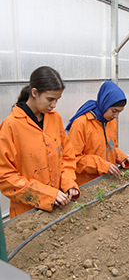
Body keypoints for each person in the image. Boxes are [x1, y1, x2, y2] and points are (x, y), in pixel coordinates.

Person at [0, 66, 80, 217]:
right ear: (35, 93)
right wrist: (46, 195)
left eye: (57, 99)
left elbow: (67, 156)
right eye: (50, 99)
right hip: (27, 213)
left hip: (59, 204)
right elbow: (6, 178)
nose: (54, 105)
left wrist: (68, 183)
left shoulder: (55, 118)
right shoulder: (11, 125)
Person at [67, 81, 129, 186]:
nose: (116, 116)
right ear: (105, 103)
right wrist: (102, 165)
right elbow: (74, 159)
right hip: (87, 185)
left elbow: (111, 147)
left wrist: (121, 157)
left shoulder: (110, 122)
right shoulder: (81, 123)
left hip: (107, 180)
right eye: (114, 111)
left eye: (119, 112)